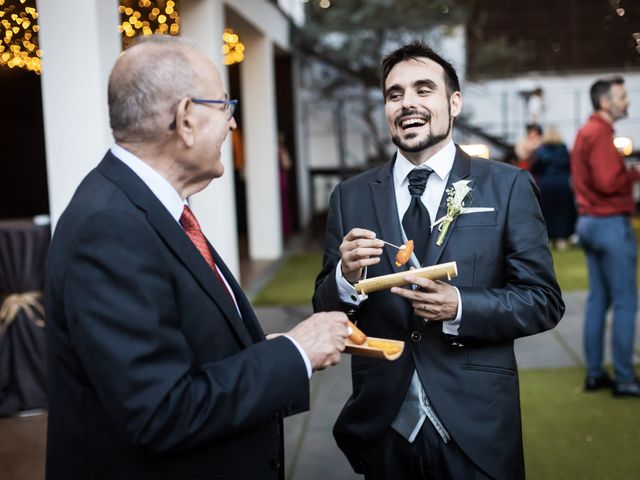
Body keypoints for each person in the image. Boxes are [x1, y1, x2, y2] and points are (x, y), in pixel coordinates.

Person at [44, 36, 350, 480]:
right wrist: (295, 353)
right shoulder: (110, 227)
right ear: (186, 119)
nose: (231, 124)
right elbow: (160, 411)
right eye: (226, 105)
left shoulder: (149, 208)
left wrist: (257, 353)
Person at [313, 42, 564, 480]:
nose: (407, 102)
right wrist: (344, 277)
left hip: (477, 424)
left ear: (454, 103)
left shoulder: (507, 187)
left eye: (423, 89)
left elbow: (543, 300)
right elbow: (325, 310)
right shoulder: (349, 196)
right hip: (382, 426)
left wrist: (461, 307)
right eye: (394, 94)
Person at [572, 76, 640, 397]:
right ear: (605, 102)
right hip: (609, 223)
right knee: (626, 302)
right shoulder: (599, 133)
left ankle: (596, 373)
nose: (627, 101)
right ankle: (625, 378)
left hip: (589, 222)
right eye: (622, 96)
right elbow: (608, 181)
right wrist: (635, 172)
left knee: (599, 300)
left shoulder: (588, 131)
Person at [529, 126, 577, 249]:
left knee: (546, 212)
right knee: (563, 211)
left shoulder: (541, 150)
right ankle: (562, 239)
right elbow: (571, 166)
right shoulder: (564, 149)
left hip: (546, 183)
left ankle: (549, 239)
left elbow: (535, 168)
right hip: (563, 183)